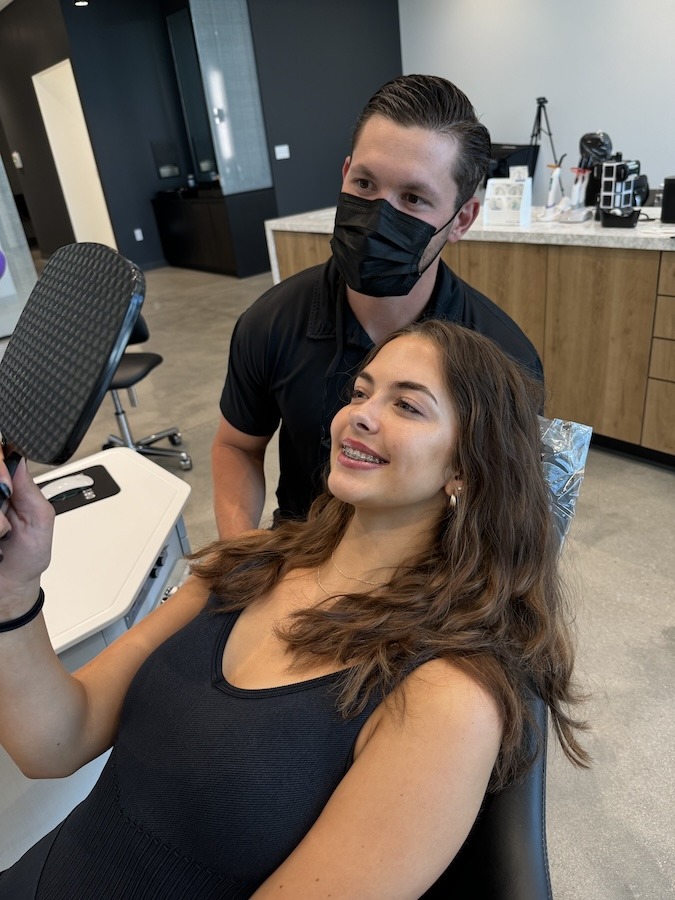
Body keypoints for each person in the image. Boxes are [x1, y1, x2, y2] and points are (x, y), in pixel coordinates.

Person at [0, 321, 587, 899]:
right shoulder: (250, 565)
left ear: (463, 468)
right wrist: (14, 589)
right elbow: (54, 743)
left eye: (407, 406)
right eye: (361, 392)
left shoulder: (446, 698)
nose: (357, 414)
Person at [212, 73, 544, 539]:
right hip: (295, 555)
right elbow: (237, 446)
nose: (376, 216)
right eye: (365, 184)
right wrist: (240, 553)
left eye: (413, 198)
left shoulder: (504, 358)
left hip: (421, 586)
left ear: (461, 219)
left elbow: (506, 510)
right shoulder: (271, 323)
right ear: (345, 173)